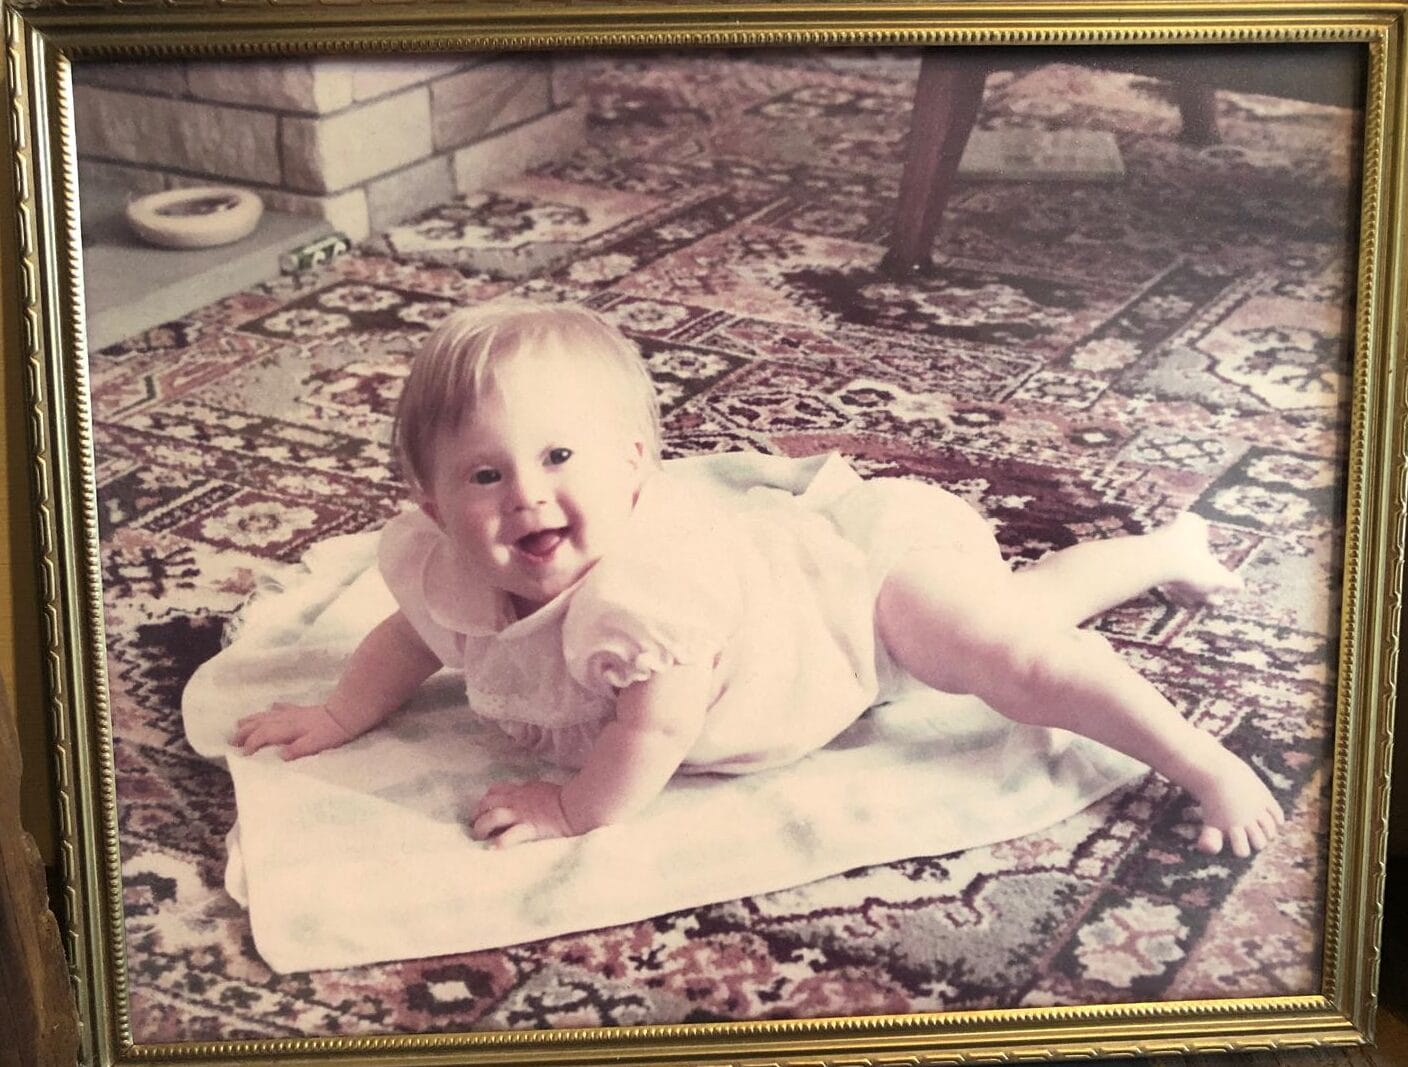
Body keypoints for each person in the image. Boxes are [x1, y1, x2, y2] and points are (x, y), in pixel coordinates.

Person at [231, 301, 1284, 857]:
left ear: (638, 470)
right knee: (1025, 601)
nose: (526, 496)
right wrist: (338, 710)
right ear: (429, 504)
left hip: (849, 594)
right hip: (810, 623)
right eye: (483, 473)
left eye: (560, 458)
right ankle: (1167, 553)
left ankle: (1199, 758)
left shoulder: (646, 600)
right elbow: (411, 636)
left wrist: (567, 807)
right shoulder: (440, 565)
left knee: (1006, 655)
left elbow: (648, 734)